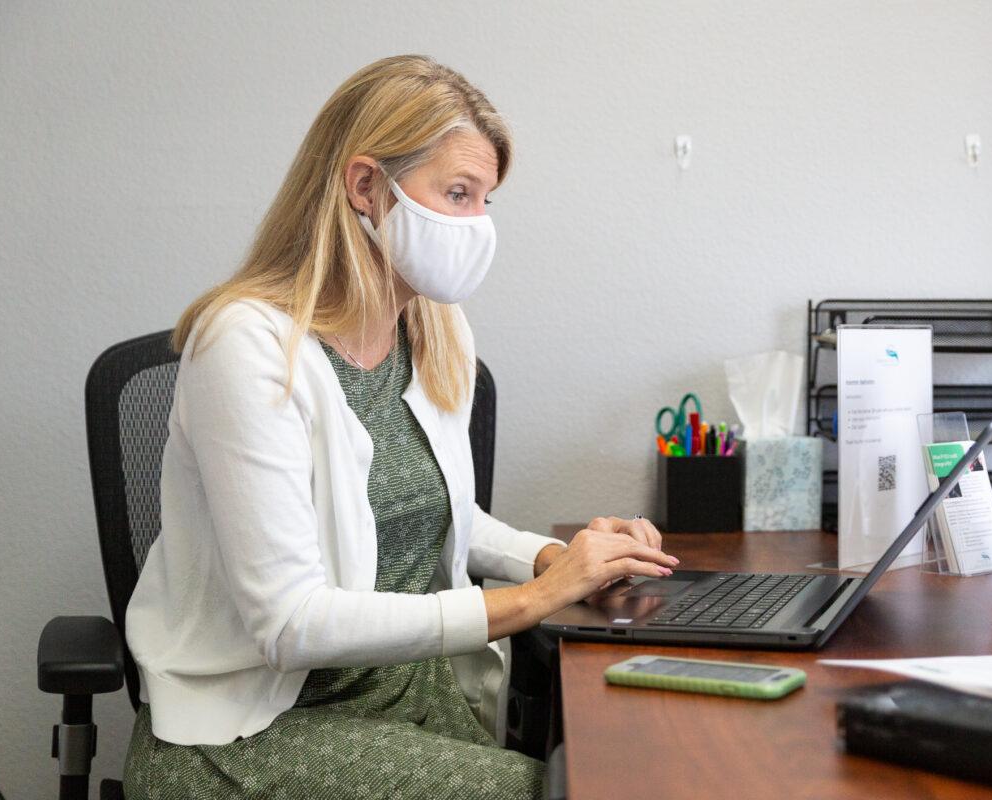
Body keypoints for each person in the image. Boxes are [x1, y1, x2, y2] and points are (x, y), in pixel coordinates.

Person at [122, 54, 678, 800]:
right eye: (457, 193)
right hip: (266, 729)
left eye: (485, 201)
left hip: (412, 696)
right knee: (567, 791)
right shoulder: (247, 345)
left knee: (626, 760)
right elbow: (288, 624)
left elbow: (434, 512)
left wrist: (556, 558)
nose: (477, 226)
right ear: (365, 186)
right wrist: (535, 602)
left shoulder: (436, 329)